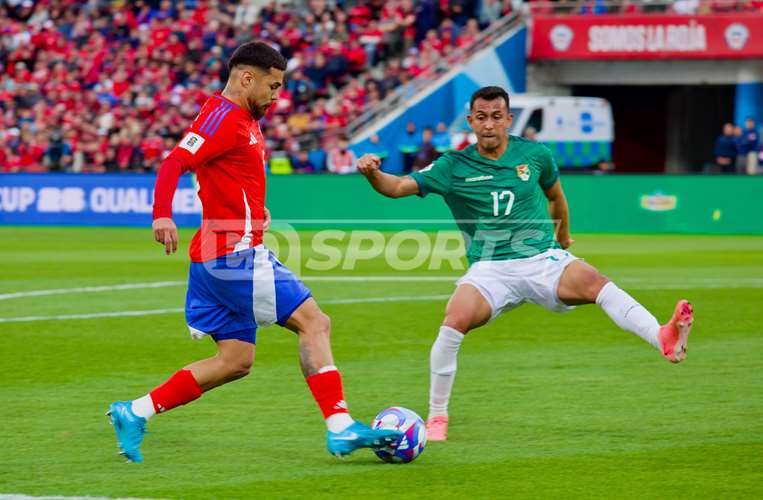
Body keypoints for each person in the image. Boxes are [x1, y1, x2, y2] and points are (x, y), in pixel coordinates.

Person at [107, 41, 400, 463]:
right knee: (314, 322)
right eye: (273, 85)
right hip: (233, 254)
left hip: (217, 254)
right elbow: (174, 163)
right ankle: (340, 426)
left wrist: (253, 210)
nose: (277, 96)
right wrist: (162, 215)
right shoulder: (223, 119)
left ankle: (134, 411)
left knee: (235, 360)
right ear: (247, 78)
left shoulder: (242, 117)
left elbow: (226, 175)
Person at [357, 86, 694, 442]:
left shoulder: (534, 154)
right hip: (490, 269)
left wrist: (563, 239)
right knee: (453, 321)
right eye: (482, 117)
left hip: (540, 259)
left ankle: (663, 336)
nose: (489, 125)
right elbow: (397, 187)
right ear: (471, 121)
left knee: (596, 283)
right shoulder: (452, 166)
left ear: (508, 119)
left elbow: (556, 197)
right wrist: (372, 173)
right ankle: (437, 417)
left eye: (496, 117)